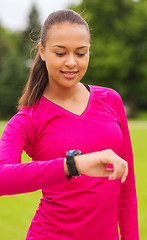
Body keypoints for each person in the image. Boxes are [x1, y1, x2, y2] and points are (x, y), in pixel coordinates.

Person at [0, 9, 139, 240]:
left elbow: (126, 185)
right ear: (43, 52)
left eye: (81, 53)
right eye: (61, 53)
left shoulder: (110, 100)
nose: (71, 62)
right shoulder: (27, 120)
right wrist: (72, 165)